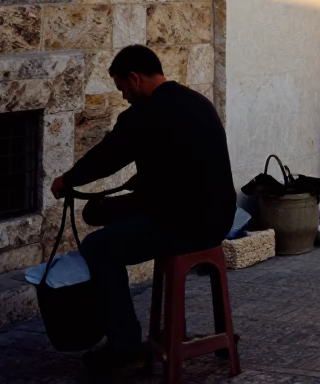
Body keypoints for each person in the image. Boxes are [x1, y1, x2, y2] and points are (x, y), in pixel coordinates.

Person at [50, 46, 236, 374]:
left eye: (122, 88)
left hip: (183, 224)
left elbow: (109, 155)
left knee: (98, 247)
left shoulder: (147, 112)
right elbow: (179, 164)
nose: (124, 97)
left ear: (134, 78)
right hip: (218, 218)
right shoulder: (197, 102)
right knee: (109, 217)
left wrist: (67, 180)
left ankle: (124, 347)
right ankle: (181, 336)